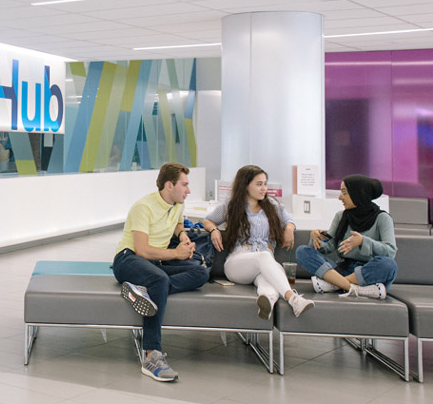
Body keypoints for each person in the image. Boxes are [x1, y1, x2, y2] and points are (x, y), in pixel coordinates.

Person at [113, 162, 209, 382]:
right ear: (169, 185)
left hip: (157, 264)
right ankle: (151, 355)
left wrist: (183, 236)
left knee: (201, 272)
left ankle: (144, 291)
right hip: (128, 259)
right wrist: (176, 253)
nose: (189, 190)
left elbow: (176, 225)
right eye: (184, 185)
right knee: (159, 279)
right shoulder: (143, 207)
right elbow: (143, 250)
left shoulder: (177, 204)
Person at [202, 165, 314, 320]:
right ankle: (294, 298)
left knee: (267, 281)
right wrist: (214, 230)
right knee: (265, 258)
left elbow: (289, 220)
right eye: (259, 184)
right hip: (238, 263)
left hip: (264, 262)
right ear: (246, 185)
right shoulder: (231, 206)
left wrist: (289, 228)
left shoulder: (273, 206)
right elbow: (207, 220)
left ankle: (267, 302)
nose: (264, 188)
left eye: (265, 184)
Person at [295, 174, 397, 299]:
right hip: (342, 269)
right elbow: (328, 246)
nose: (339, 197)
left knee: (389, 265)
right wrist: (316, 238)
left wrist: (363, 241)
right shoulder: (340, 216)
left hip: (368, 272)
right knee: (302, 251)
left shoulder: (383, 218)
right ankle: (354, 288)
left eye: (344, 193)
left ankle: (335, 284)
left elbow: (390, 252)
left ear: (357, 194)